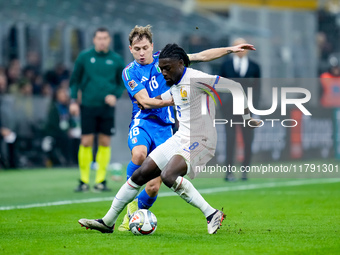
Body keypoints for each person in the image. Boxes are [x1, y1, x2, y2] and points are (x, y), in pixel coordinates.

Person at [78, 43, 261, 234]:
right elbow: (164, 96)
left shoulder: (197, 78)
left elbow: (235, 87)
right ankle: (107, 222)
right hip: (181, 137)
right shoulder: (173, 82)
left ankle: (211, 213)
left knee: (168, 176)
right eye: (161, 69)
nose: (163, 73)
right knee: (140, 174)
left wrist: (248, 117)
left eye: (167, 68)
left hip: (202, 138)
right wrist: (150, 103)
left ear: (181, 64)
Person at [117, 25, 256, 231]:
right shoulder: (130, 72)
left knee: (154, 186)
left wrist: (230, 49)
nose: (141, 53)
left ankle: (137, 211)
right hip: (144, 120)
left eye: (145, 48)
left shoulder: (163, 60)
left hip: (167, 125)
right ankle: (128, 208)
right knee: (139, 155)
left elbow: (201, 56)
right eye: (137, 49)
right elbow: (145, 102)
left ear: (151, 46)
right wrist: (174, 99)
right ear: (130, 49)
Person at [69, 27, 125, 192]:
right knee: (86, 141)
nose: (102, 41)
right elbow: (75, 80)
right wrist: (73, 101)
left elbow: (123, 82)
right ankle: (83, 181)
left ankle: (100, 181)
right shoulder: (85, 57)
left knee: (105, 142)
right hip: (88, 104)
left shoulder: (116, 59)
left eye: (105, 38)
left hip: (107, 107)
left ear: (109, 40)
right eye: (99, 38)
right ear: (94, 40)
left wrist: (115, 95)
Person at [220, 38, 261, 181]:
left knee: (248, 140)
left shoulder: (255, 67)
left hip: (247, 110)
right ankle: (229, 172)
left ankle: (245, 171)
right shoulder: (226, 65)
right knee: (229, 140)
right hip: (229, 110)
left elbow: (257, 89)